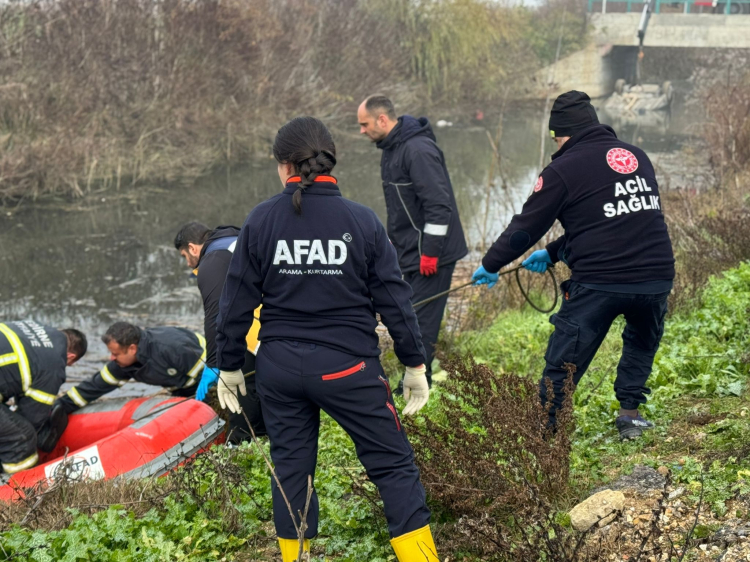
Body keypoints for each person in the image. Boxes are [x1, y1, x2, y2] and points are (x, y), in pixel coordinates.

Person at [214, 117, 438, 561]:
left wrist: (229, 362)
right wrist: (415, 364)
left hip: (279, 369)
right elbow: (395, 301)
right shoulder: (361, 220)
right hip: (348, 368)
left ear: (284, 166)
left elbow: (234, 300)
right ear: (330, 161)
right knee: (393, 466)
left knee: (291, 472)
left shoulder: (261, 219)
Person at [472, 91, 675, 440]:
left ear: (561, 134)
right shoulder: (636, 156)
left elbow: (524, 230)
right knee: (641, 343)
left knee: (564, 358)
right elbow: (610, 221)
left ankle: (545, 430)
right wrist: (552, 253)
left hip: (600, 283)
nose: (556, 145)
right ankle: (630, 416)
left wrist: (491, 264)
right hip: (656, 278)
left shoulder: (562, 169)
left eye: (555, 139)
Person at [358, 94, 468, 389]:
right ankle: (416, 379)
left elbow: (438, 205)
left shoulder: (417, 150)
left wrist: (430, 252)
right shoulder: (391, 149)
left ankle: (419, 384)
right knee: (410, 317)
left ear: (382, 119)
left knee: (420, 323)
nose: (362, 130)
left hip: (433, 256)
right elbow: (402, 208)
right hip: (410, 253)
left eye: (364, 124)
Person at [174, 221, 267, 440]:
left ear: (192, 248)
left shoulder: (213, 259)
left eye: (184, 256)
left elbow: (216, 312)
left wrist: (216, 362)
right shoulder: (238, 241)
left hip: (255, 328)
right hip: (283, 321)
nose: (187, 263)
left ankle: (240, 440)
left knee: (240, 385)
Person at [57, 321, 206, 414]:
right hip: (180, 385)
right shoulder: (123, 364)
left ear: (132, 349)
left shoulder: (171, 349)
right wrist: (61, 406)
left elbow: (209, 374)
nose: (111, 358)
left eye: (115, 354)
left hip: (206, 369)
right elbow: (94, 387)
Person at [0, 321, 87, 474]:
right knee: (22, 437)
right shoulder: (54, 364)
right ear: (70, 356)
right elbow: (32, 417)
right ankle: (16, 486)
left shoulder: (31, 326)